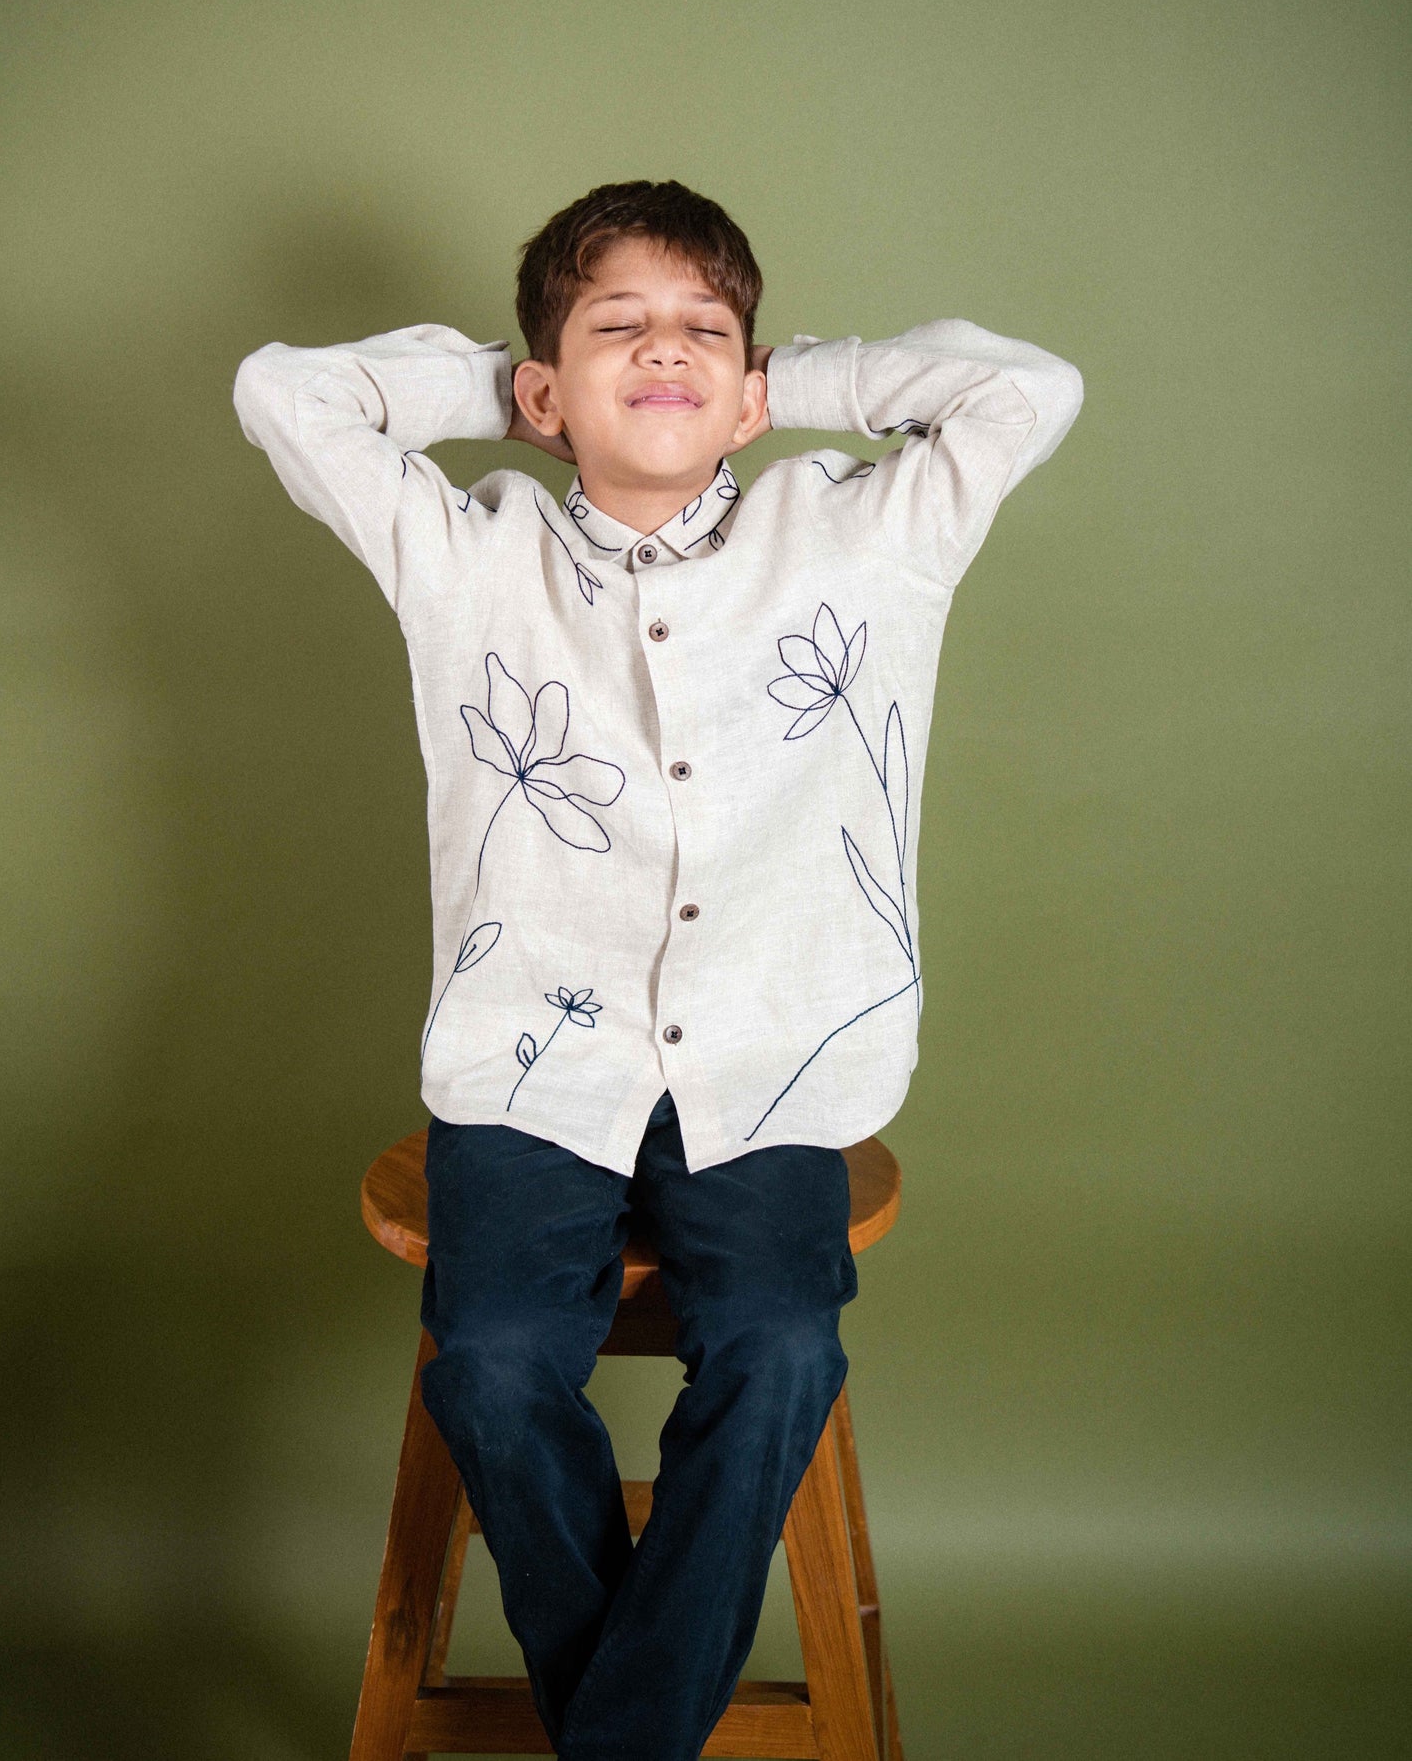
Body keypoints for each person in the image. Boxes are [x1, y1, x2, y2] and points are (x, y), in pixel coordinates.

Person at [233, 177, 1084, 1759]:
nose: (667, 351)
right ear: (547, 389)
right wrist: (508, 389)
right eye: (616, 327)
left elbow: (1025, 389)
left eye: (706, 331)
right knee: (484, 1364)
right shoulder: (462, 555)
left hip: (774, 1065)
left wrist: (789, 387)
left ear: (751, 385)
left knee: (778, 1350)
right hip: (529, 1067)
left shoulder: (863, 537)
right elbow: (285, 393)